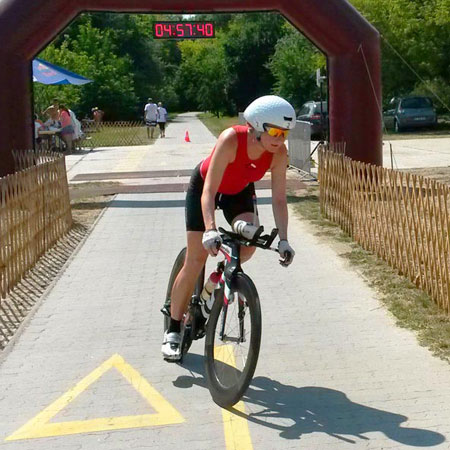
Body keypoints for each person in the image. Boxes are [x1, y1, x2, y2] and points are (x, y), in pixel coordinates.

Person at [161, 95, 297, 361]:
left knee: (248, 243)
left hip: (238, 191)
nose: (280, 139)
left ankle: (217, 283)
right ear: (256, 126)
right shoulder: (231, 139)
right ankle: (174, 328)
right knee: (196, 257)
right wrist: (210, 229)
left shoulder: (278, 153)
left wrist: (284, 240)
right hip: (205, 187)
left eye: (286, 133)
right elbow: (208, 191)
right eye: (276, 131)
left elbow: (280, 199)